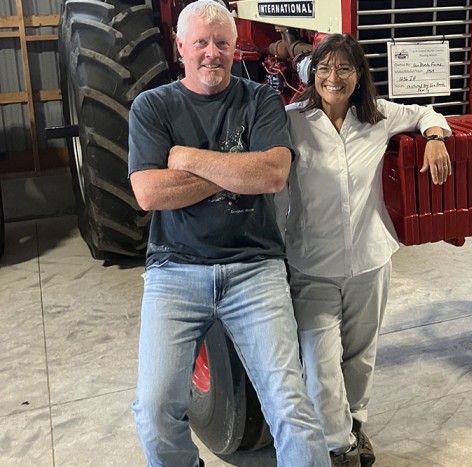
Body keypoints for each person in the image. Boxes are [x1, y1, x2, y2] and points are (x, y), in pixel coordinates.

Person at [127, 2, 329, 466]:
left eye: (221, 43)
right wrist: (240, 170)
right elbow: (149, 192)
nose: (211, 53)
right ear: (181, 48)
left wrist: (185, 156)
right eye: (200, 42)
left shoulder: (259, 99)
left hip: (254, 268)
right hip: (174, 270)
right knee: (155, 413)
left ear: (236, 47)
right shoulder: (152, 106)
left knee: (292, 409)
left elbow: (273, 174)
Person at [283, 34, 452, 467]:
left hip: (369, 259)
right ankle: (340, 448)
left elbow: (424, 113)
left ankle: (354, 423)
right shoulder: (291, 120)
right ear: (312, 74)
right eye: (324, 68)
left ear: (358, 77)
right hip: (312, 265)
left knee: (360, 356)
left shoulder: (377, 119)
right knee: (320, 365)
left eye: (343, 68)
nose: (332, 77)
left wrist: (435, 137)